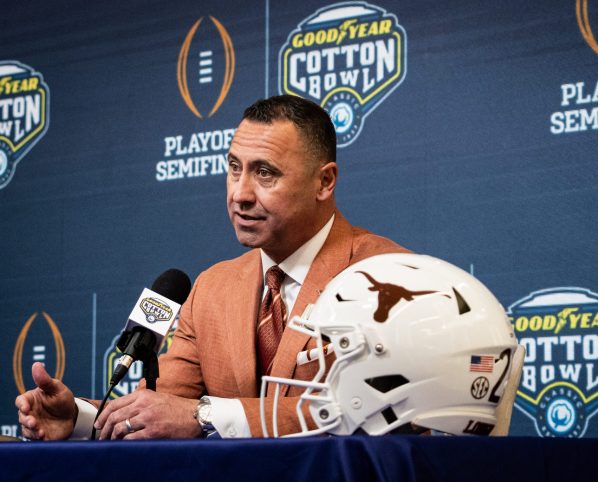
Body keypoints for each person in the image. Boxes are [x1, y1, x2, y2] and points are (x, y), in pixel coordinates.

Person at [15, 95, 407, 440]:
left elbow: (385, 410)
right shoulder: (212, 288)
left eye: (265, 173)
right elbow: (165, 406)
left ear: (325, 182)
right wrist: (79, 418)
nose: (240, 193)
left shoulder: (387, 276)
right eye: (235, 167)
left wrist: (205, 415)